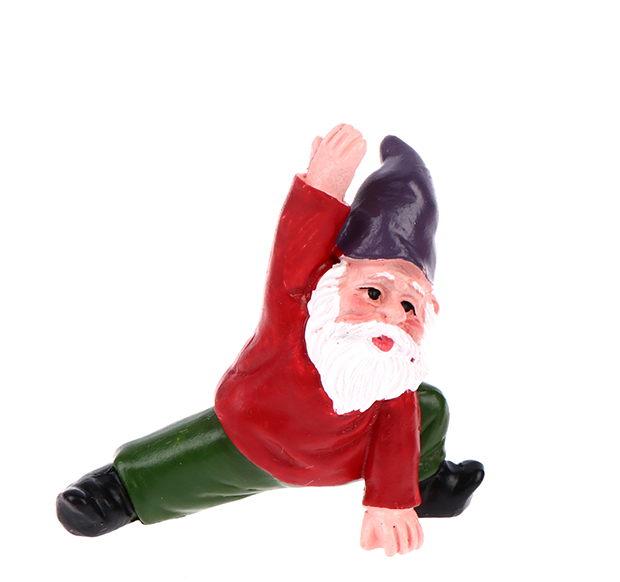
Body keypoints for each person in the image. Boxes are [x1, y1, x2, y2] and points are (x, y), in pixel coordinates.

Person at [57, 124, 484, 556]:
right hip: (256, 437)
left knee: (427, 406)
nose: (392, 316)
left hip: (343, 456)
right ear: (334, 284)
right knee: (185, 464)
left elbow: (397, 428)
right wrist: (326, 182)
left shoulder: (391, 368)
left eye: (410, 306)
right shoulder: (299, 307)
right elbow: (296, 247)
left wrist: (390, 501)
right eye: (373, 294)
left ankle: (426, 486)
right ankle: (118, 493)